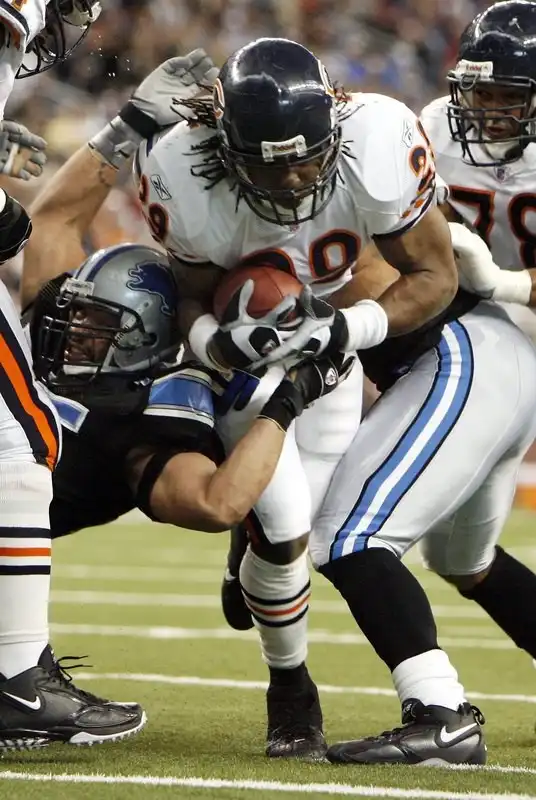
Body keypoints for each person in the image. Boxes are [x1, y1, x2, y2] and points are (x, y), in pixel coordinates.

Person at [88, 36, 477, 761]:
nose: (295, 177)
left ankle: (257, 553)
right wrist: (213, 343)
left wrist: (344, 330)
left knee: (311, 536)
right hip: (249, 351)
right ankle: (290, 684)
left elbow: (434, 276)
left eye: (307, 157)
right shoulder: (181, 166)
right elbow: (191, 294)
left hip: (331, 346)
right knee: (287, 525)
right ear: (226, 145)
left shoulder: (377, 139)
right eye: (272, 163)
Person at [20, 55, 353, 762]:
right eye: (77, 317)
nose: (71, 336)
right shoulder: (64, 335)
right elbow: (52, 219)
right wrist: (128, 126)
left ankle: (20, 678)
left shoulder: (149, 418)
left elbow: (218, 502)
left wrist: (288, 401)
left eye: (95, 328)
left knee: (284, 528)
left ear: (142, 341)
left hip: (26, 506)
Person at [414, 0, 536, 681]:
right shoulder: (435, 127)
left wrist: (505, 284)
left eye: (505, 94)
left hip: (513, 327)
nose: (486, 109)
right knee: (459, 558)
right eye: (477, 92)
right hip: (482, 344)